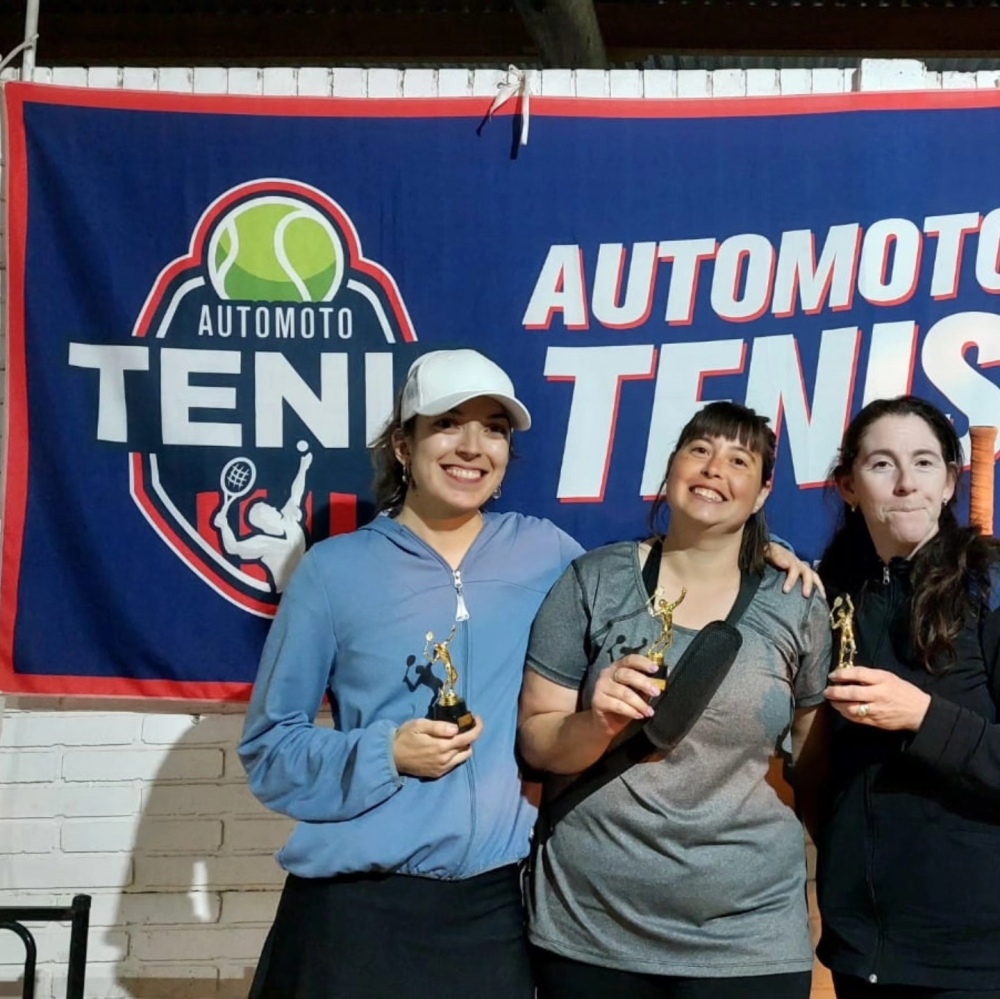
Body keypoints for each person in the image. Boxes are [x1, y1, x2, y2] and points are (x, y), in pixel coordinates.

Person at [238, 348, 584, 999]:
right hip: (352, 917)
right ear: (403, 443)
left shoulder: (547, 553)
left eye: (495, 427)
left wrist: (758, 553)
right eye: (449, 423)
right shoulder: (332, 570)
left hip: (493, 912)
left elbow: (651, 600)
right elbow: (269, 750)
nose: (474, 446)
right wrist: (385, 751)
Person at [518, 401, 831, 999]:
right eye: (699, 450)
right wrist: (596, 721)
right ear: (670, 467)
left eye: (739, 459)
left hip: (748, 942)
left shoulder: (798, 601)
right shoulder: (595, 579)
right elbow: (536, 739)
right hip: (590, 932)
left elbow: (814, 763)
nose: (715, 468)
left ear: (762, 493)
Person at [816, 395, 1000, 999]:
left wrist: (922, 716)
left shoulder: (991, 586)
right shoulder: (824, 593)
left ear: (951, 482)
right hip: (861, 951)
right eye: (881, 465)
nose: (904, 485)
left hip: (974, 959)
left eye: (924, 464)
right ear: (847, 485)